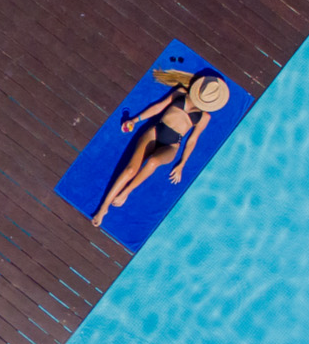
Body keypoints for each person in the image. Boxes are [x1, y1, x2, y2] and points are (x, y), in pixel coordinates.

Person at [93, 70, 230, 227]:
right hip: (155, 132)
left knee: (152, 162)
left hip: (171, 145)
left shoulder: (204, 117)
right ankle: (103, 208)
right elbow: (159, 107)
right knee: (130, 169)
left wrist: (181, 164)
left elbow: (192, 140)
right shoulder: (181, 93)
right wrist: (135, 120)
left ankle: (126, 192)